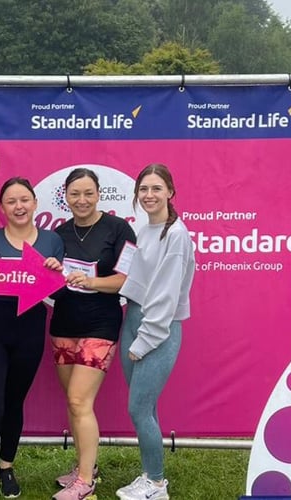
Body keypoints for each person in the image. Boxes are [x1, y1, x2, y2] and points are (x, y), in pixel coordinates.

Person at [0, 177, 65, 500]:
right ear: (3, 207)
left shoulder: (52, 242)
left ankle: (6, 467)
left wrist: (55, 274)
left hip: (30, 334)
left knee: (13, 404)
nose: (19, 206)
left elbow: (61, 292)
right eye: (11, 201)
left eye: (25, 199)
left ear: (35, 203)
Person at [49, 168, 136, 500]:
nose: (81, 200)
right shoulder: (57, 234)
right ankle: (86, 465)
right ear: (65, 197)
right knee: (73, 404)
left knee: (78, 400)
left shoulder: (118, 229)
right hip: (63, 324)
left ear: (99, 194)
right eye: (74, 194)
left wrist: (93, 283)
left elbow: (128, 278)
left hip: (101, 324)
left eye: (88, 193)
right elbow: (50, 282)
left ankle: (85, 482)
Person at [115, 164, 195, 500]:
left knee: (138, 409)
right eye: (143, 189)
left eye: (156, 189)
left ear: (170, 192)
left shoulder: (176, 236)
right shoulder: (145, 228)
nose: (149, 195)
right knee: (146, 407)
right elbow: (137, 276)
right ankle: (149, 475)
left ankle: (157, 484)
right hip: (132, 318)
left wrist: (144, 341)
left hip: (156, 329)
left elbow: (165, 296)